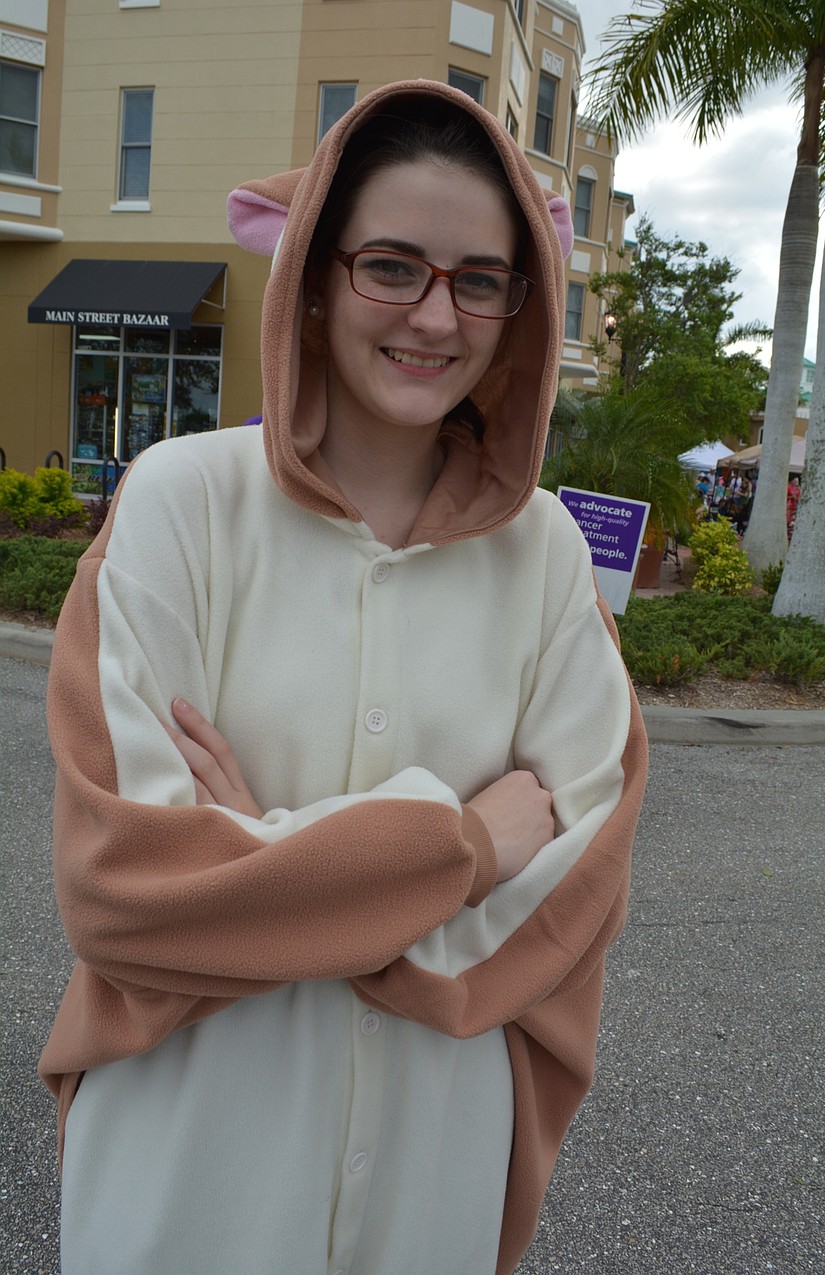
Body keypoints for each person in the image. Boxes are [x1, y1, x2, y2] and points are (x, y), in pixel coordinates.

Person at [40, 81, 648, 1275]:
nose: (436, 314)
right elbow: (121, 887)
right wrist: (461, 850)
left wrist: (260, 855)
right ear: (314, 279)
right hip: (192, 1158)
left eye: (479, 278)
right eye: (392, 265)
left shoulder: (545, 557)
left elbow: (579, 881)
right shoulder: (180, 503)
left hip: (434, 1165)